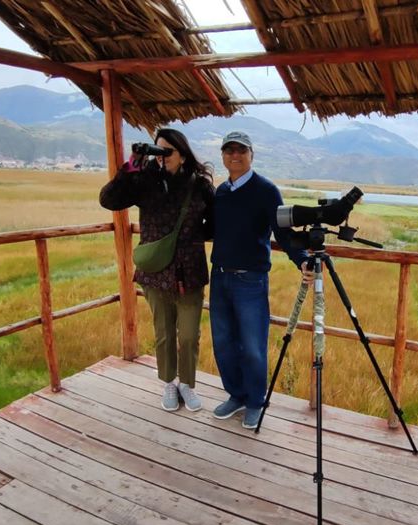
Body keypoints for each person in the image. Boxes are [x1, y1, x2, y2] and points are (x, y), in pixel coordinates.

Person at [99, 128, 214, 412]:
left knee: (189, 335)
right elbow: (109, 200)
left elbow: (215, 221)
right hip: (155, 273)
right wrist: (131, 167)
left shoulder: (199, 185)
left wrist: (192, 236)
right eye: (157, 151)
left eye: (168, 152)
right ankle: (169, 383)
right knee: (164, 332)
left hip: (189, 273)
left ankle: (187, 384)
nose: (162, 158)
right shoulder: (145, 180)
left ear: (183, 155)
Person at [210, 131, 312, 429]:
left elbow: (283, 232)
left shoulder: (266, 190)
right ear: (223, 156)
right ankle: (236, 395)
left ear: (251, 154)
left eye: (241, 150)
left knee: (253, 346)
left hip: (250, 282)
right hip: (219, 278)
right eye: (229, 151)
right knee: (224, 343)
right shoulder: (221, 192)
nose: (235, 155)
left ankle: (255, 401)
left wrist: (302, 259)